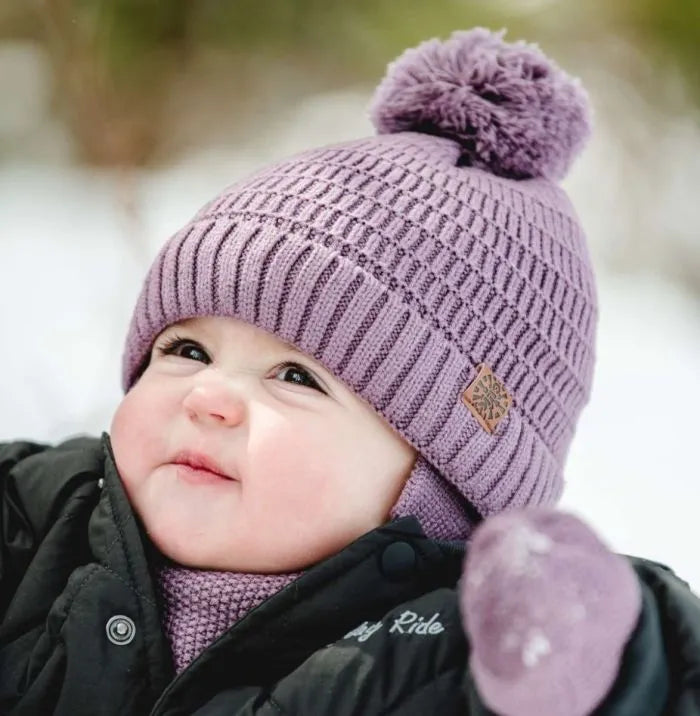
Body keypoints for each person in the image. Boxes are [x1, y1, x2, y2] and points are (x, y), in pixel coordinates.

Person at [1, 27, 698, 716]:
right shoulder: (37, 526)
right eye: (186, 350)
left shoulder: (447, 658)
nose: (209, 395)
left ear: (436, 488)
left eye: (296, 377)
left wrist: (592, 661)